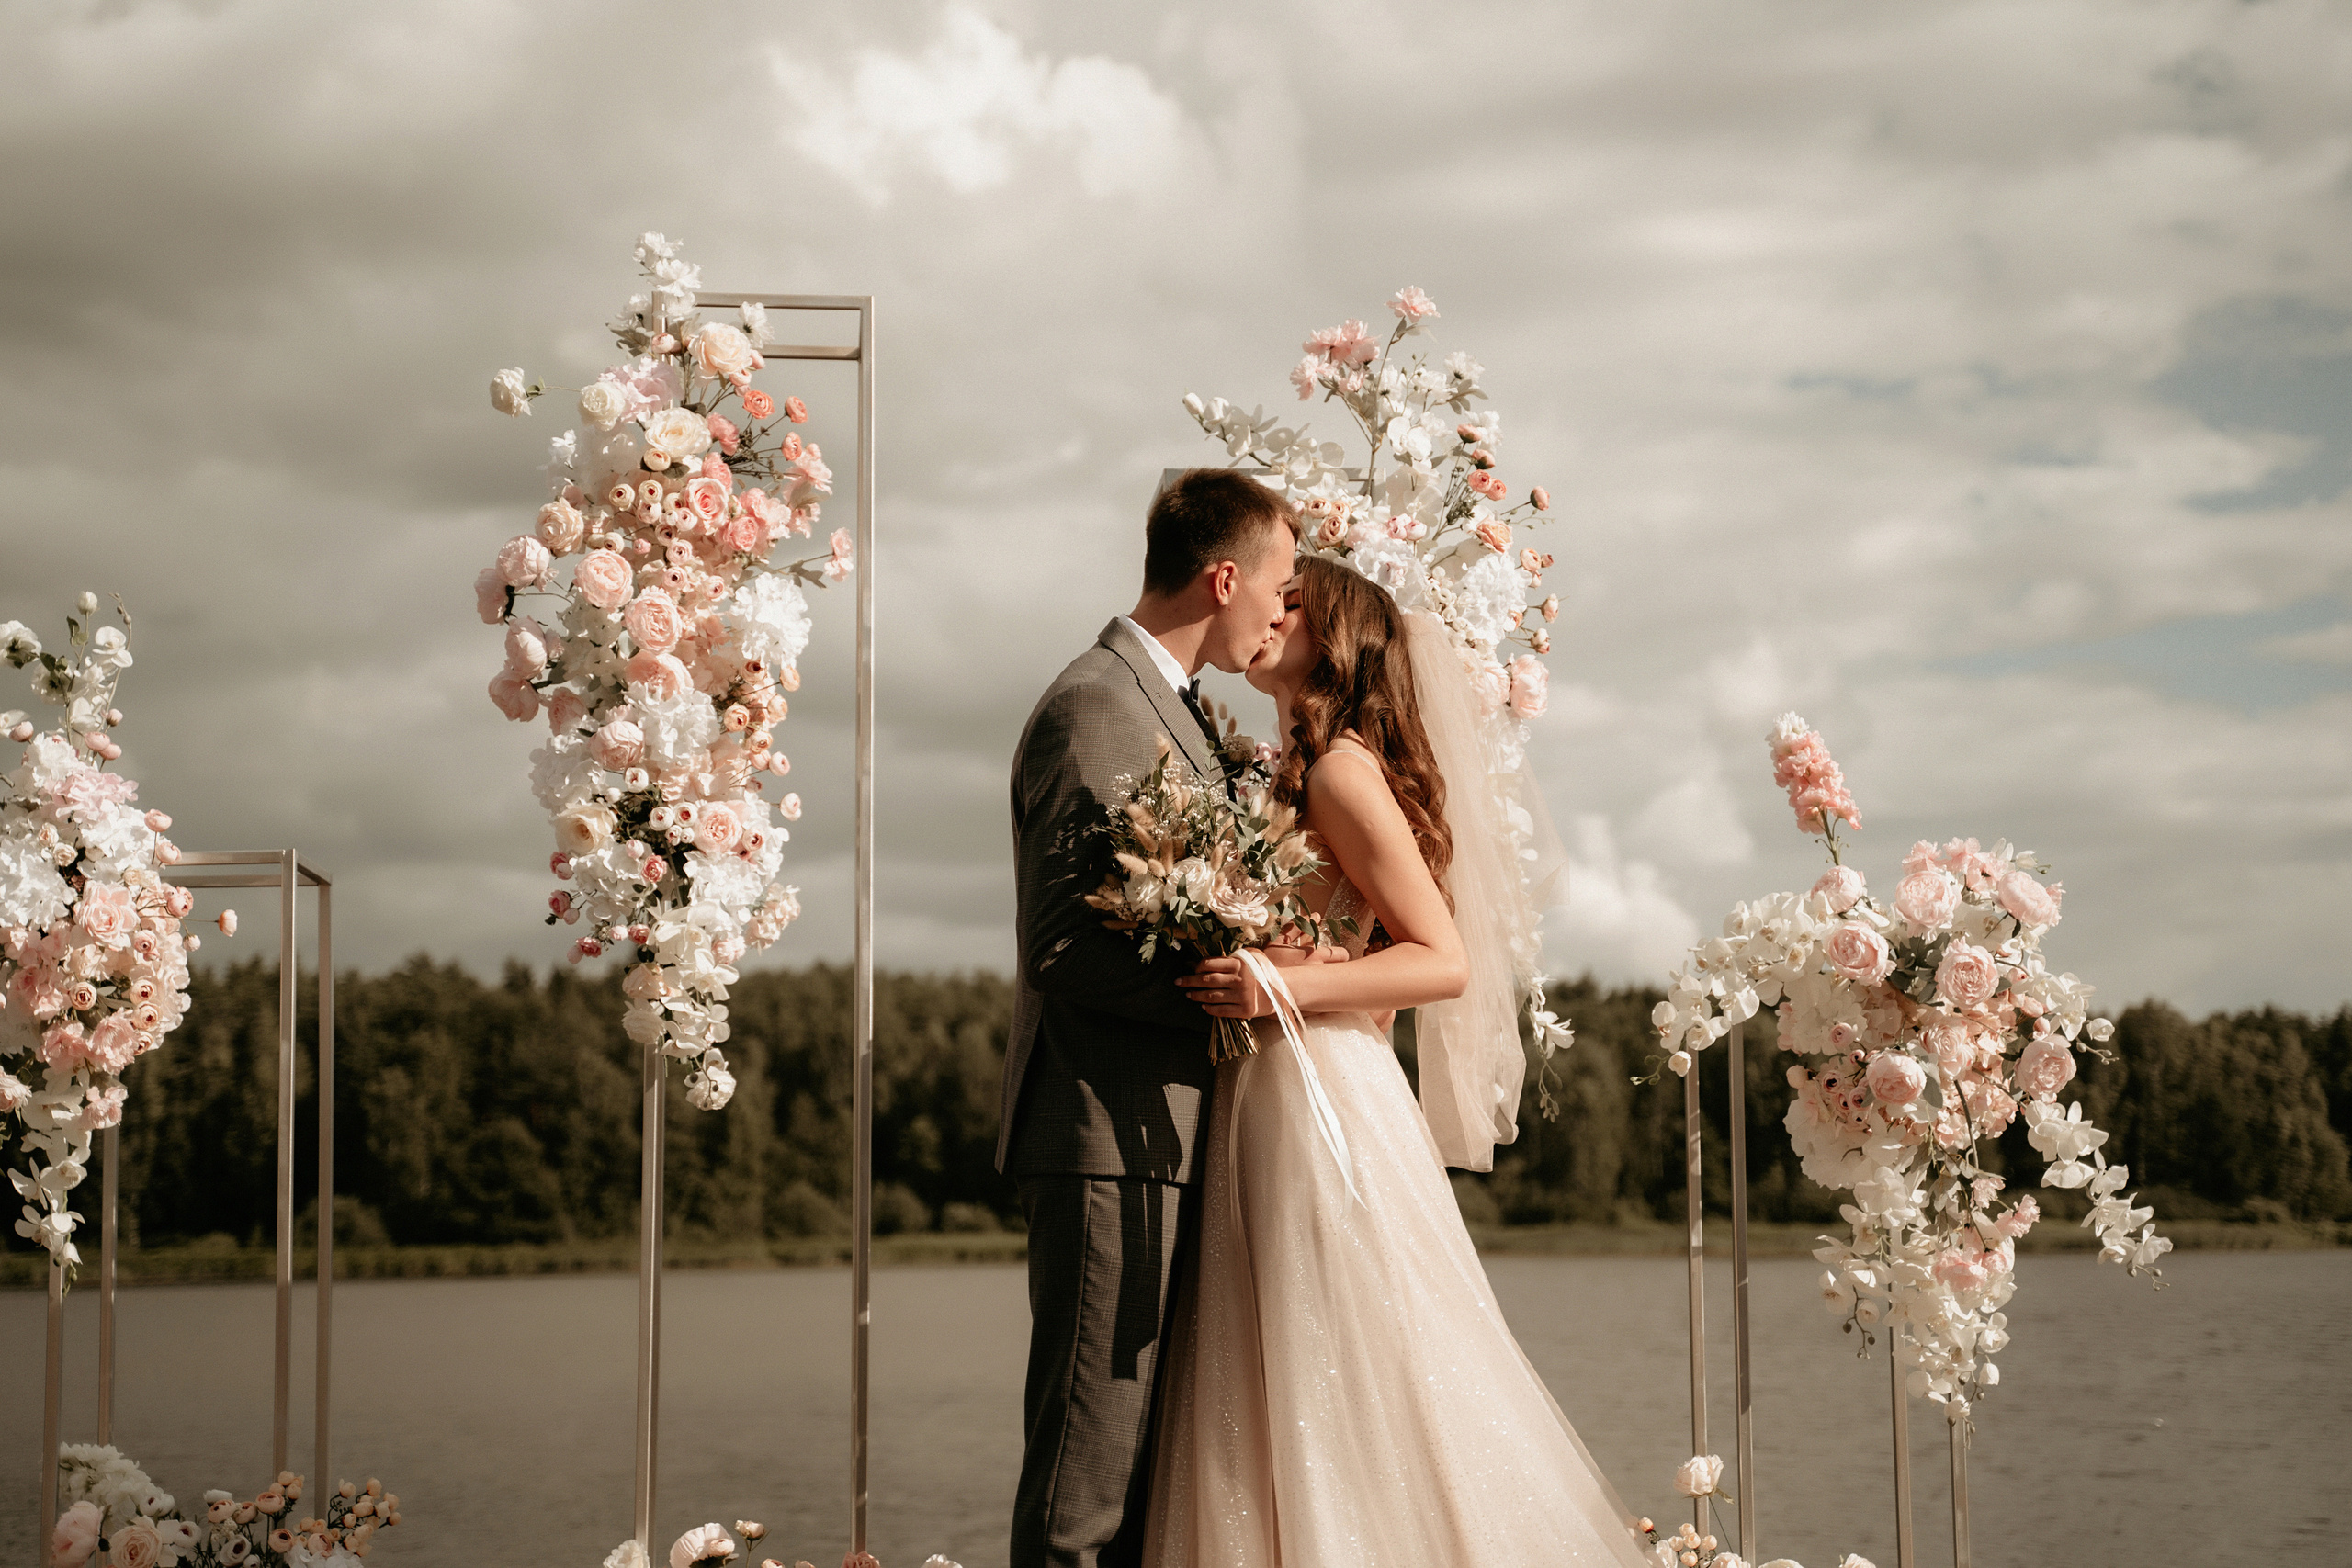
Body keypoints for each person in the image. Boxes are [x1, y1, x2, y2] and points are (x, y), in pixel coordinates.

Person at [1143, 555, 1652, 1566]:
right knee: (1286, 1359)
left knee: (1352, 1350)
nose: (1268, 613)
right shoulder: (1282, 771)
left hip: (1318, 1095)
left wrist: (1276, 986)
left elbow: (1442, 960)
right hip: (1272, 1081)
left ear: (1333, 640)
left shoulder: (1340, 770)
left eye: (1292, 603)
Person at [1001, 467, 1299, 1568]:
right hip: (1106, 1133)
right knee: (1084, 1493)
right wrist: (1235, 990)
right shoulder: (1098, 701)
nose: (1281, 610)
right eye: (1277, 585)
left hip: (1160, 1135)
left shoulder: (1176, 710)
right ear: (1223, 579)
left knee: (1140, 1488)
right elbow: (1060, 945)